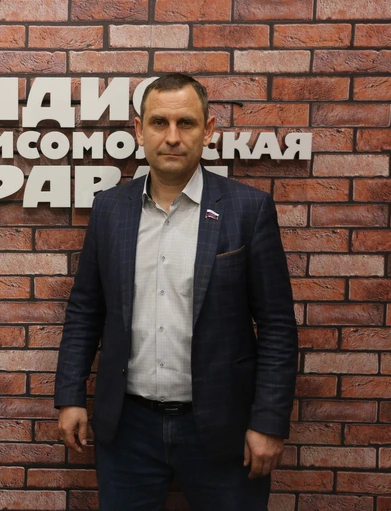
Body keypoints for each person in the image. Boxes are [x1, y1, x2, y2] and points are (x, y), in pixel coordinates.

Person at [54, 73, 298, 510]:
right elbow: (85, 309)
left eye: (185, 123)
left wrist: (269, 421)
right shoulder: (110, 208)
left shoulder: (247, 209)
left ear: (208, 130)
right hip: (127, 429)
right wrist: (71, 396)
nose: (171, 137)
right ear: (139, 130)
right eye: (158, 123)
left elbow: (277, 325)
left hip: (224, 427)